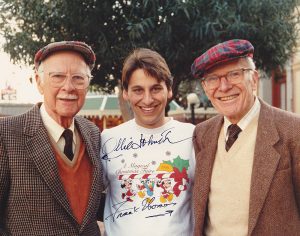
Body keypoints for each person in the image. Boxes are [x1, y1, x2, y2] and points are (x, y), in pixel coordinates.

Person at [190, 39, 300, 235]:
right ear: (205, 87)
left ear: (254, 79)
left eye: (234, 74)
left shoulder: (293, 130)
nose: (223, 87)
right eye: (213, 79)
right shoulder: (202, 134)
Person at [0, 41, 104, 235]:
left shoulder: (93, 133)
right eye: (58, 77)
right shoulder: (5, 134)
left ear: (87, 84)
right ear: (39, 82)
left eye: (78, 78)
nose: (69, 87)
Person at [100, 48, 195, 235]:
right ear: (126, 92)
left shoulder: (193, 137)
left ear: (169, 89)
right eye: (138, 90)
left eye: (155, 88)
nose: (147, 99)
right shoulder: (107, 140)